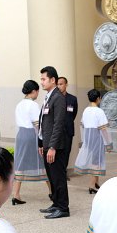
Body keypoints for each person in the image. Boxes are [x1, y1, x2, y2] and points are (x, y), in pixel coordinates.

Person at [37, 66, 69, 219]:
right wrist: (41, 143)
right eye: (41, 79)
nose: (41, 82)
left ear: (52, 80)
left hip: (55, 146)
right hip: (46, 144)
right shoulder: (49, 96)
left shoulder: (59, 98)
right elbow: (44, 122)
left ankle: (63, 208)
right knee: (51, 176)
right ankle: (56, 203)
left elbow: (58, 124)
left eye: (44, 79)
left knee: (58, 176)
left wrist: (52, 147)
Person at [12, 80, 49, 205]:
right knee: (44, 163)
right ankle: (52, 191)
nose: (38, 93)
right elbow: (37, 124)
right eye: (37, 91)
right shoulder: (33, 105)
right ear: (33, 91)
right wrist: (43, 139)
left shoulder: (19, 104)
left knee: (20, 163)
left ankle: (16, 194)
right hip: (31, 135)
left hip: (20, 135)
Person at [74, 89, 113, 192]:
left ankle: (96, 182)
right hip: (97, 138)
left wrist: (84, 139)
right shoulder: (99, 111)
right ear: (98, 98)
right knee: (96, 162)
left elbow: (82, 125)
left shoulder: (86, 110)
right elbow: (104, 129)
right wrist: (108, 143)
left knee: (95, 160)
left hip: (88, 138)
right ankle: (91, 185)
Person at [57, 77, 78, 184]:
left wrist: (67, 123)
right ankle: (59, 174)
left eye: (61, 84)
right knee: (58, 153)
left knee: (66, 152)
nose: (59, 86)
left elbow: (73, 114)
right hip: (57, 132)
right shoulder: (55, 98)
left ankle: (63, 173)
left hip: (68, 131)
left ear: (66, 85)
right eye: (58, 84)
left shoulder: (72, 99)